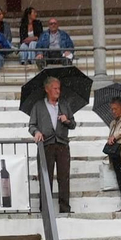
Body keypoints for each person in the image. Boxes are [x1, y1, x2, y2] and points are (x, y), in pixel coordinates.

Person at [28, 74, 76, 214]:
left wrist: (66, 120)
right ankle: (45, 209)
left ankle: (65, 208)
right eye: (55, 88)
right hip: (46, 146)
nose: (58, 91)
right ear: (47, 89)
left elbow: (73, 124)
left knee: (64, 177)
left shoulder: (64, 104)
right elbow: (31, 125)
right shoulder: (38, 106)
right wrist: (36, 132)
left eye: (59, 88)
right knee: (45, 177)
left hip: (62, 145)